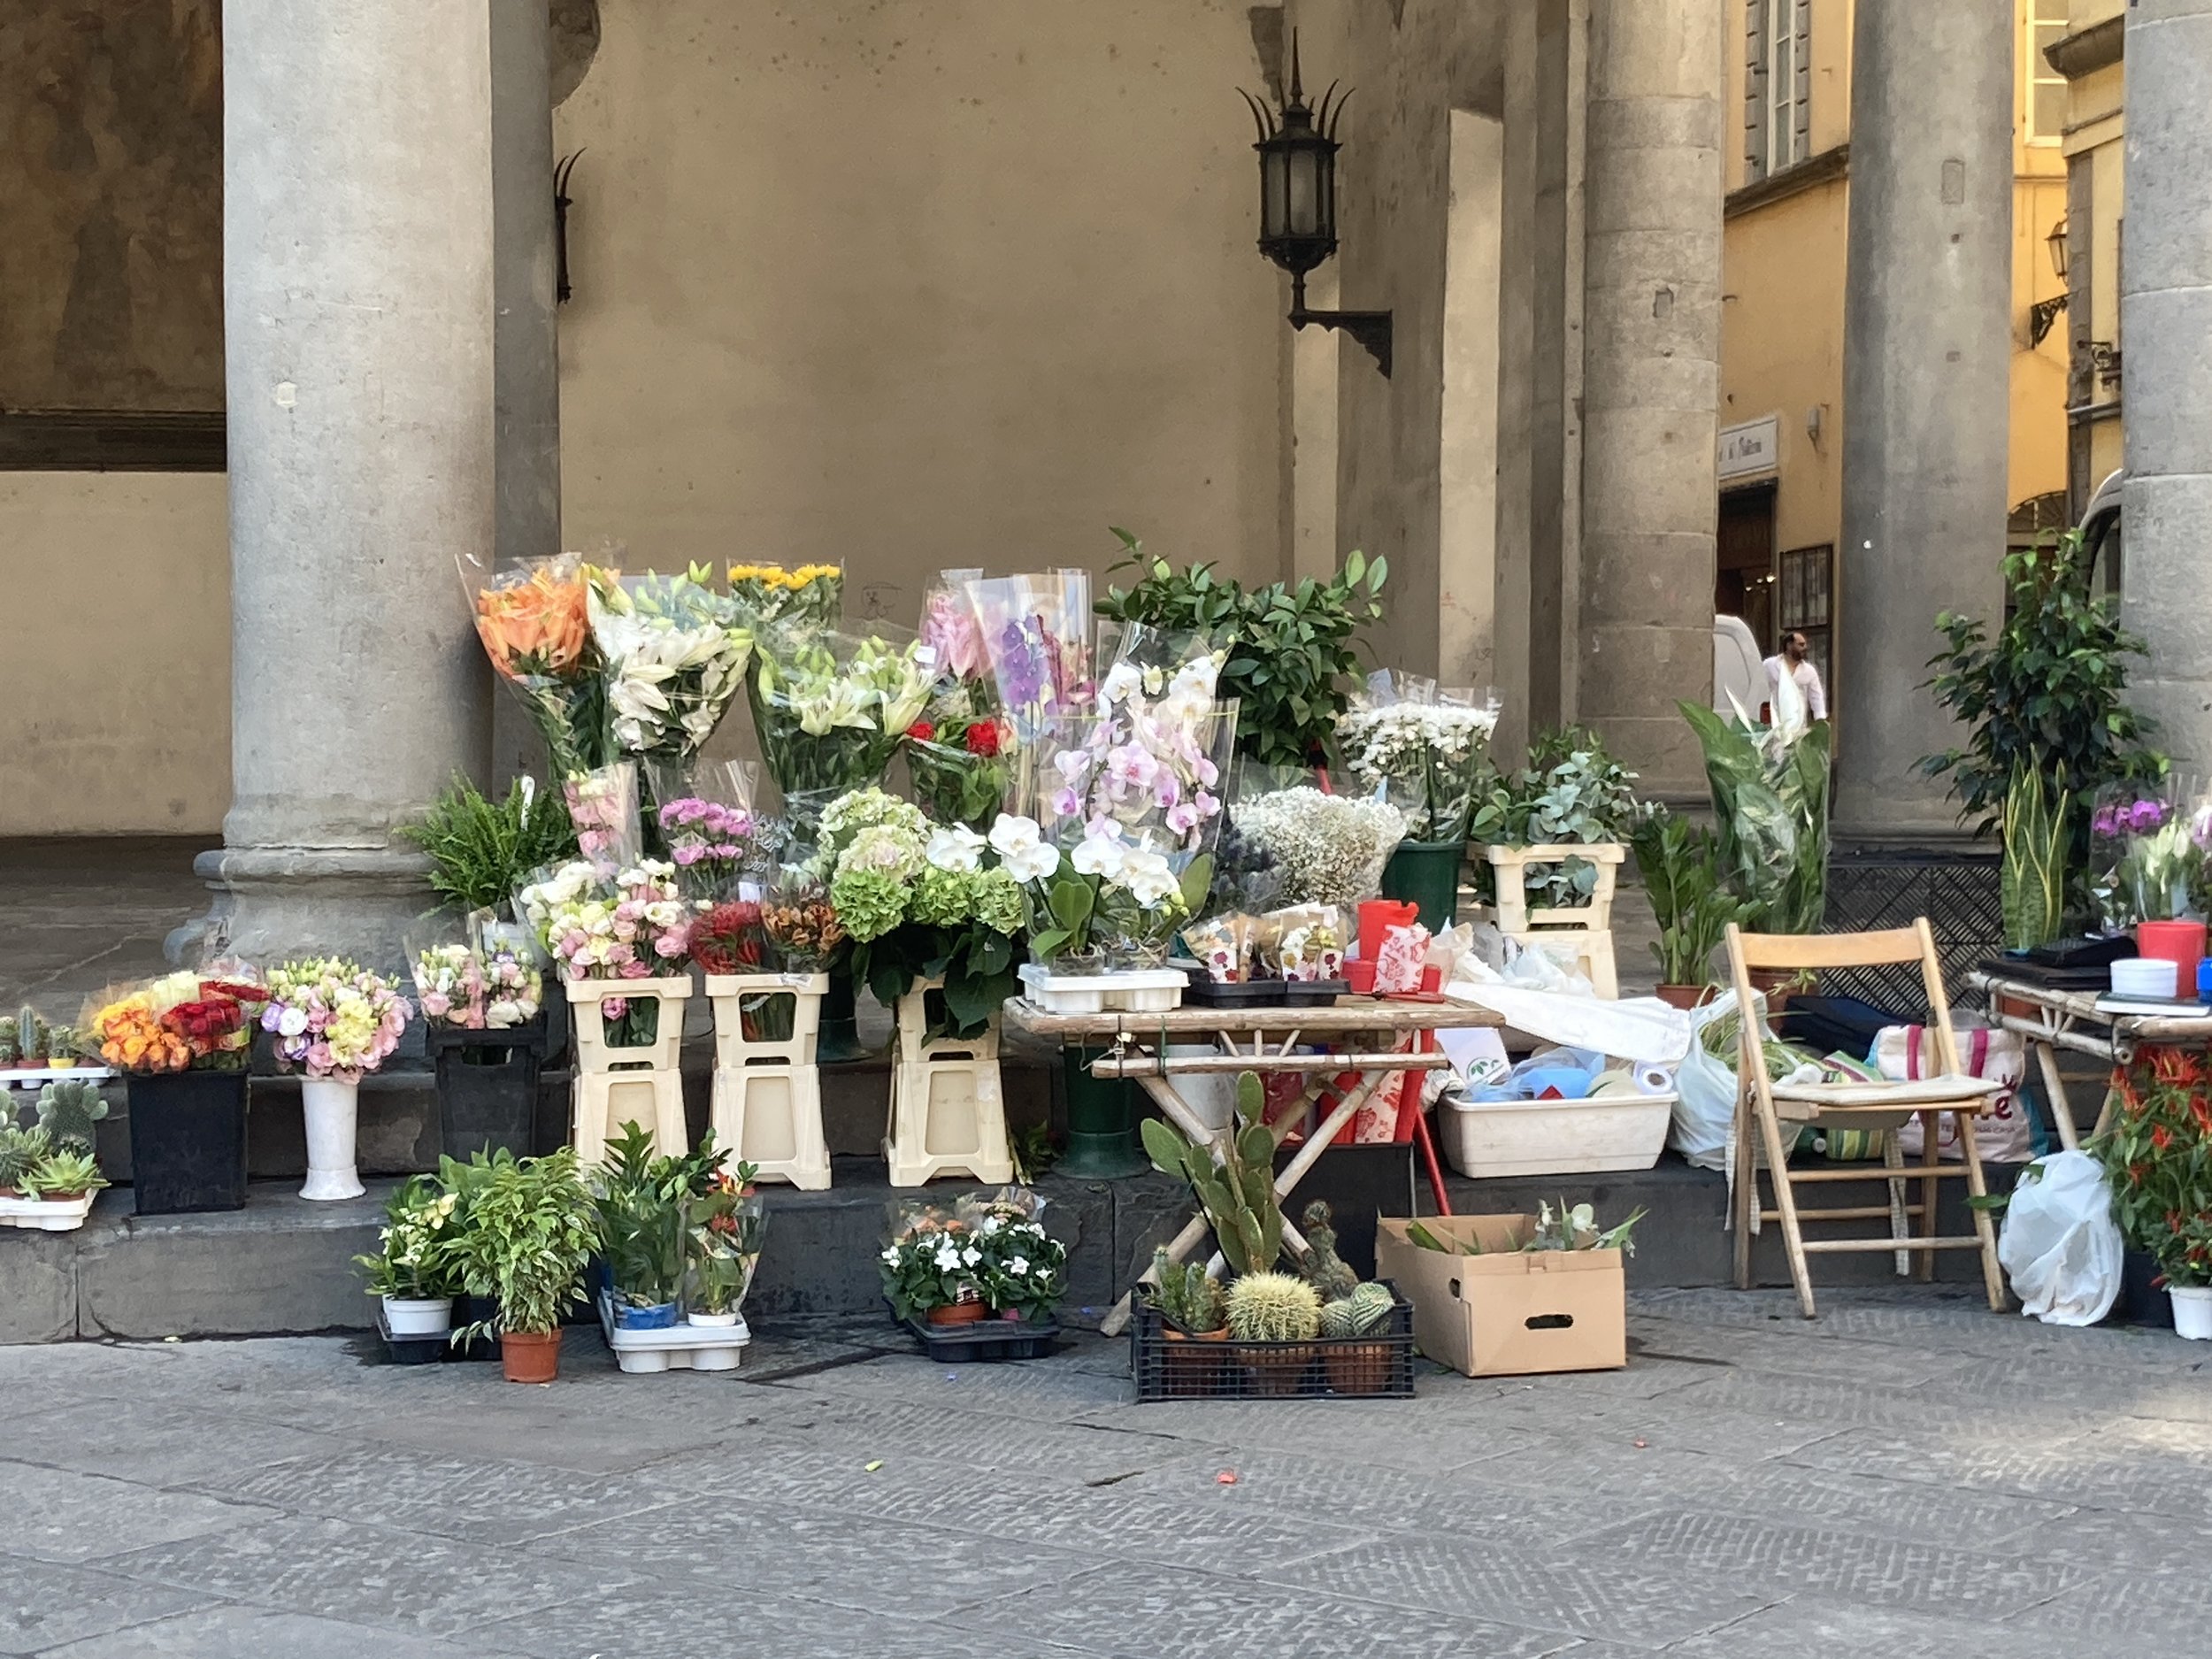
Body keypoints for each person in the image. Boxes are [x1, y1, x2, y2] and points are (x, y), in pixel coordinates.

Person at [1763, 630, 1827, 722]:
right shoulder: (1769, 665)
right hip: (1774, 723)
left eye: (1805, 644)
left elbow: (1817, 698)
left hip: (1798, 725)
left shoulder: (1809, 671)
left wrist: (1820, 721)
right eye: (1801, 644)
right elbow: (1759, 689)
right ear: (1789, 645)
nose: (1805, 648)